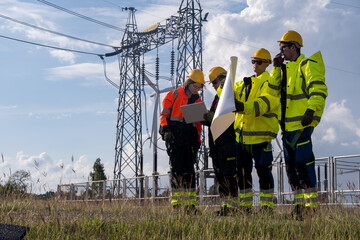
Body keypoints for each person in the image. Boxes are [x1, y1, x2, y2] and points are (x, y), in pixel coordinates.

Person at [267, 30, 327, 218]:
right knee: (292, 170)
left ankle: (311, 209)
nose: (280, 51)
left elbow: (318, 89)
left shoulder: (307, 65)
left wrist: (311, 110)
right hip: (287, 130)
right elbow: (272, 90)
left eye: (283, 47)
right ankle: (299, 207)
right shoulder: (284, 70)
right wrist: (276, 68)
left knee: (304, 166)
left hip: (302, 126)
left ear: (293, 47)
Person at [233, 48, 280, 213]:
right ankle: (245, 207)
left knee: (263, 172)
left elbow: (263, 104)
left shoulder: (270, 83)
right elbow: (228, 94)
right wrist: (220, 85)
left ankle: (267, 206)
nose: (255, 64)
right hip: (242, 138)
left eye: (259, 61)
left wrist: (242, 107)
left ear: (267, 64)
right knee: (243, 174)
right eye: (253, 61)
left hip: (261, 138)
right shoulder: (244, 82)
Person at [159, 69, 204, 213]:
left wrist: (198, 141)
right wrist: (166, 130)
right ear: (188, 83)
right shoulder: (173, 95)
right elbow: (164, 115)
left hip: (189, 141)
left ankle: (190, 206)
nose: (197, 90)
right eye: (194, 86)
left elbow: (198, 125)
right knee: (176, 172)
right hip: (175, 139)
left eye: (199, 87)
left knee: (190, 173)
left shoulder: (197, 100)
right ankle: (176, 205)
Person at [202, 67, 238, 216]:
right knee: (220, 176)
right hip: (217, 145)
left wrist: (213, 117)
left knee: (229, 175)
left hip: (227, 143)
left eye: (215, 82)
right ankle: (226, 206)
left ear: (223, 78)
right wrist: (206, 118)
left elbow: (229, 117)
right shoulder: (218, 98)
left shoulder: (230, 95)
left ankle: (233, 207)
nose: (214, 85)